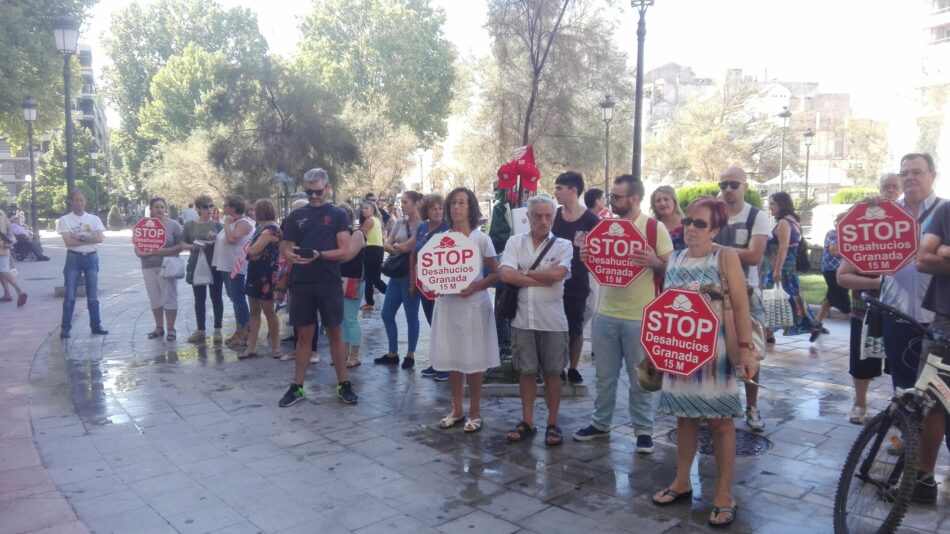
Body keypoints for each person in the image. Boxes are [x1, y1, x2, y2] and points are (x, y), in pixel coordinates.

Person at [652, 196, 758, 528]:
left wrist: (746, 349)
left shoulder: (725, 257)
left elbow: (741, 307)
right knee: (684, 419)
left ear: (715, 229)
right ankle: (682, 481)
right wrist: (655, 350)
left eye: (700, 224)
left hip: (718, 354)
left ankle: (724, 494)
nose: (691, 229)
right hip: (681, 354)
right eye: (688, 222)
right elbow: (665, 307)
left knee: (721, 423)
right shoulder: (675, 259)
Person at [573, 175, 672, 453]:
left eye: (617, 197)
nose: (612, 201)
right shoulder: (606, 226)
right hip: (606, 314)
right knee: (604, 377)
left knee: (641, 379)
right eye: (611, 196)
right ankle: (600, 423)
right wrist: (587, 257)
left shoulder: (654, 229)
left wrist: (654, 262)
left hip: (641, 317)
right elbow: (596, 263)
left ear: (634, 199)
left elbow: (671, 269)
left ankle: (643, 431)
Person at [278, 168, 358, 407]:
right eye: (309, 192)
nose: (314, 197)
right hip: (302, 282)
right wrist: (291, 255)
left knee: (335, 333)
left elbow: (344, 251)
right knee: (303, 337)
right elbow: (286, 246)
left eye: (318, 192)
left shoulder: (338, 215)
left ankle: (343, 384)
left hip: (329, 281)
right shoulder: (296, 216)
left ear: (328, 188)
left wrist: (318, 255)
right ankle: (297, 386)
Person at [499, 194, 573, 446]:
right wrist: (542, 276)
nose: (543, 221)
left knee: (553, 373)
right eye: (538, 216)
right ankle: (527, 421)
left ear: (554, 217)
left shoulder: (563, 245)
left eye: (548, 216)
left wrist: (525, 273)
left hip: (552, 321)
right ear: (528, 218)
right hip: (522, 320)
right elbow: (506, 274)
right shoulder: (515, 242)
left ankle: (552, 423)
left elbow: (559, 274)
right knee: (526, 372)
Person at [431, 188, 500, 433]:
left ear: (471, 207)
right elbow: (432, 270)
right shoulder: (442, 238)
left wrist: (476, 286)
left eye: (462, 202)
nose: (456, 207)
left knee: (475, 359)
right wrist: (436, 285)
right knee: (453, 357)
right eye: (453, 203)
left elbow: (495, 273)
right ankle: (457, 409)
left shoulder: (481, 239)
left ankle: (475, 412)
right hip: (448, 305)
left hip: (473, 306)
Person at [836, 174, 902, 425]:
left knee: (899, 364)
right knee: (862, 359)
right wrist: (878, 283)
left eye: (894, 187)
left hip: (901, 310)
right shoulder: (864, 226)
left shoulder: (907, 224)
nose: (890, 191)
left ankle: (900, 414)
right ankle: (860, 403)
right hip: (865, 309)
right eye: (886, 187)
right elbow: (843, 276)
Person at [714, 166, 771, 431]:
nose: (728, 189)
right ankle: (716, 404)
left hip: (746, 293)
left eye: (734, 184)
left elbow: (754, 256)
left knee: (751, 353)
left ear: (745, 187)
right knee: (715, 351)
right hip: (714, 291)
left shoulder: (756, 216)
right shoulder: (713, 213)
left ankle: (752, 407)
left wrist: (718, 250)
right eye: (724, 183)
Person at [915, 181, 950, 504]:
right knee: (932, 399)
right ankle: (923, 477)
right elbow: (924, 259)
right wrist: (938, 251)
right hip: (945, 321)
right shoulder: (946, 210)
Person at [552, 171, 600, 385]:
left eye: (559, 188)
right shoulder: (553, 215)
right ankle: (557, 366)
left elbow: (600, 251)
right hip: (553, 281)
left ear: (573, 190)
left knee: (575, 327)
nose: (556, 192)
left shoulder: (591, 219)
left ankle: (572, 367)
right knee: (555, 327)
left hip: (578, 282)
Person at [374, 191, 423, 369]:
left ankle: (410, 354)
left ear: (417, 203)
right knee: (387, 314)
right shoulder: (401, 222)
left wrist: (397, 248)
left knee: (411, 316)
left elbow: (411, 246)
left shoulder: (422, 225)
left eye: (406, 202)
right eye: (401, 202)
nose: (402, 205)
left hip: (412, 275)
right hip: (396, 275)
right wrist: (398, 249)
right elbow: (387, 243)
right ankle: (392, 352)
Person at [762, 192, 816, 337]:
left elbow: (783, 247)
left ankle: (810, 325)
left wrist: (777, 270)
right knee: (792, 297)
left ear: (781, 205)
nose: (770, 207)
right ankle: (770, 332)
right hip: (787, 266)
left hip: (781, 267)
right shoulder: (793, 221)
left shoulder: (784, 223)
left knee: (775, 297)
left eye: (772, 203)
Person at [58, 190, 108, 338]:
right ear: (71, 202)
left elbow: (99, 238)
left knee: (92, 295)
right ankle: (65, 328)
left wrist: (78, 236)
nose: (78, 203)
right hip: (73, 258)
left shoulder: (94, 219)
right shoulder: (64, 220)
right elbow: (68, 242)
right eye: (76, 200)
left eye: (81, 200)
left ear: (85, 201)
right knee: (70, 296)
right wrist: (88, 237)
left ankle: (96, 325)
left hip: (91, 258)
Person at [411, 194, 450, 380]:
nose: (438, 211)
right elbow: (414, 255)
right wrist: (413, 282)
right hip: (423, 285)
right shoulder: (422, 228)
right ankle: (436, 363)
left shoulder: (449, 229)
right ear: (427, 210)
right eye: (434, 208)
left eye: (441, 208)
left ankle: (446, 367)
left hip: (442, 288)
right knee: (433, 325)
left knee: (443, 326)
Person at [135, 197, 184, 341]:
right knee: (155, 298)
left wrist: (164, 252)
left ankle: (171, 329)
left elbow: (181, 246)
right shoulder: (143, 225)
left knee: (170, 297)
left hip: (168, 266)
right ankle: (159, 327)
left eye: (162, 207)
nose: (159, 210)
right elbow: (138, 250)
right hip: (148, 266)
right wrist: (148, 253)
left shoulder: (173, 225)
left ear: (165, 209)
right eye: (156, 207)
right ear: (151, 210)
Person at [240, 199, 282, 359]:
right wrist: (252, 253)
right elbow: (250, 252)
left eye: (254, 210)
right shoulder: (261, 229)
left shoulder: (270, 230)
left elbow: (250, 252)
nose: (251, 213)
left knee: (269, 312)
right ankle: (251, 347)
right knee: (255, 312)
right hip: (256, 273)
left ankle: (276, 347)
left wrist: (252, 253)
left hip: (266, 276)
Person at [212, 195, 254, 349]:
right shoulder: (232, 222)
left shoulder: (242, 223)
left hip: (236, 266)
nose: (223, 207)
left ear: (234, 208)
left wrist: (227, 224)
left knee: (238, 298)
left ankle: (244, 332)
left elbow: (232, 240)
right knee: (233, 297)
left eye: (226, 205)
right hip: (226, 266)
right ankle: (239, 330)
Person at [182, 195, 225, 344]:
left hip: (214, 265)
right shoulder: (189, 225)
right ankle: (201, 330)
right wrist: (191, 246)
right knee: (199, 299)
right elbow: (182, 243)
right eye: (206, 206)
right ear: (198, 209)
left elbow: (225, 243)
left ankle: (218, 329)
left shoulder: (217, 225)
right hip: (196, 264)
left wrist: (215, 241)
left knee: (216, 297)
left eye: (211, 206)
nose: (209, 209)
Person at [810, 211, 851, 342]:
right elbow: (834, 251)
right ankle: (858, 329)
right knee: (843, 301)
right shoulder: (833, 233)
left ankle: (816, 325)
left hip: (843, 270)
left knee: (829, 300)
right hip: (833, 271)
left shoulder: (850, 234)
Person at [339, 204, 366, 367]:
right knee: (342, 319)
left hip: (352, 281)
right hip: (338, 279)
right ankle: (344, 355)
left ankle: (354, 357)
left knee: (350, 318)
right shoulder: (337, 234)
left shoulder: (357, 234)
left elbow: (347, 256)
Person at [359, 201, 387, 310]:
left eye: (366, 208)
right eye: (363, 208)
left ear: (372, 209)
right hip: (378, 249)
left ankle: (371, 303)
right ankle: (371, 301)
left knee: (370, 278)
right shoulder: (377, 220)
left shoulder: (369, 221)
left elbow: (360, 236)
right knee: (374, 278)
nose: (364, 210)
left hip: (371, 250)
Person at [0, 209, 28, 306]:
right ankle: (7, 294)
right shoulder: (2, 212)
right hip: (5, 245)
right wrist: (9, 241)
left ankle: (19, 290)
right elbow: (9, 228)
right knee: (2, 270)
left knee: (3, 270)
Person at [651, 185, 685, 251]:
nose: (662, 203)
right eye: (658, 201)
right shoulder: (652, 227)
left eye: (666, 199)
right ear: (654, 205)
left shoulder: (687, 222)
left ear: (674, 201)